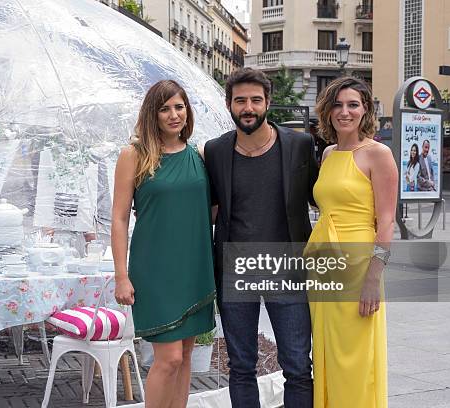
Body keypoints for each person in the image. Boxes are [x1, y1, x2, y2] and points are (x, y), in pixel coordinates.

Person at [203, 68, 317, 408]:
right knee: (240, 366)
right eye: (240, 100)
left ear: (268, 102)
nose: (248, 107)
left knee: (297, 365)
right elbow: (208, 209)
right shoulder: (215, 151)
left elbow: (322, 196)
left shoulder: (299, 144)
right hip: (236, 269)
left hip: (288, 270)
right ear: (229, 105)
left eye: (255, 99)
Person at [111, 80, 215, 408]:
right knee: (168, 358)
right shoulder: (134, 155)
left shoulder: (199, 155)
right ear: (152, 114)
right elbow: (119, 218)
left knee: (185, 357)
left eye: (179, 107)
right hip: (154, 270)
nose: (174, 115)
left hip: (195, 267)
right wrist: (121, 275)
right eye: (165, 108)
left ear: (188, 111)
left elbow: (211, 210)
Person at [309, 76, 397, 407]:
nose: (344, 112)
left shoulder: (378, 153)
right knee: (328, 351)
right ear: (328, 111)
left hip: (359, 268)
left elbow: (386, 221)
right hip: (322, 265)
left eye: (353, 105)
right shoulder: (329, 153)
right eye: (338, 105)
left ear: (365, 110)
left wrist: (374, 278)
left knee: (356, 358)